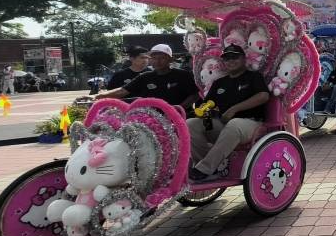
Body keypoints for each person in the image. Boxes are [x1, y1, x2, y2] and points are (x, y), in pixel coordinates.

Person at [188, 45, 271, 181]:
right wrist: (203, 112)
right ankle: (205, 167)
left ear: (244, 59)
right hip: (222, 124)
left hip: (250, 124)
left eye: (235, 57)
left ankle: (205, 168)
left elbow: (263, 96)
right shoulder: (219, 83)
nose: (230, 61)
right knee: (191, 123)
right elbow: (207, 103)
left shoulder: (253, 77)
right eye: (227, 58)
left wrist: (235, 109)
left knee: (234, 123)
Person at [100, 44, 198, 108]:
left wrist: (180, 107)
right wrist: (97, 96)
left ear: (170, 59)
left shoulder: (183, 75)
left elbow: (194, 95)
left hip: (180, 118)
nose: (157, 61)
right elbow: (122, 91)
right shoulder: (144, 76)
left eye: (162, 58)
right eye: (154, 58)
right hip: (151, 118)